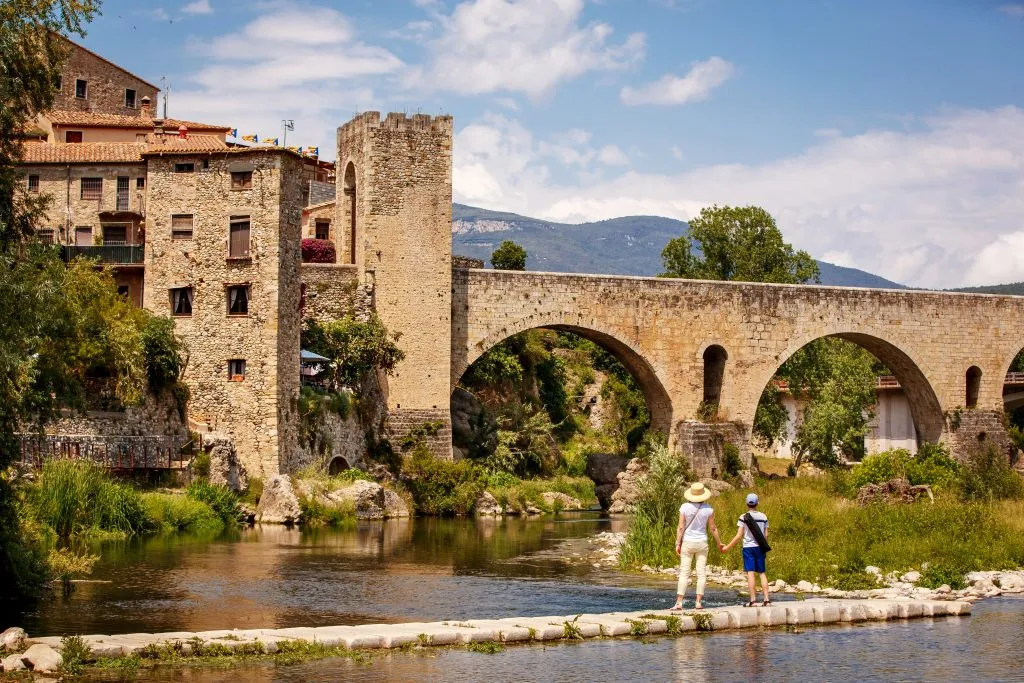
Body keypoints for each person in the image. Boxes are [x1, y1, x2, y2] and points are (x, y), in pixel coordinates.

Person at [670, 482, 721, 611]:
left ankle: (679, 603)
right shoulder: (708, 509)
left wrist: (677, 543)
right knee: (701, 573)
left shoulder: (684, 507)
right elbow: (713, 528)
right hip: (702, 542)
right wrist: (719, 543)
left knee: (684, 573)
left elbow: (681, 527)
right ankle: (698, 602)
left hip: (687, 542)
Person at [721, 492, 771, 607]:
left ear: (747, 503)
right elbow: (766, 535)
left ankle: (753, 601)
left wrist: (727, 547)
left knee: (750, 573)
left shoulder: (743, 517)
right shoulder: (764, 517)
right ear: (757, 503)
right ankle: (766, 599)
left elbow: (739, 535)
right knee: (762, 573)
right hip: (760, 547)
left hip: (748, 547)